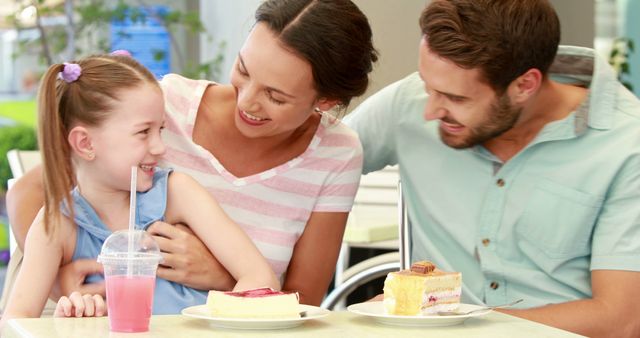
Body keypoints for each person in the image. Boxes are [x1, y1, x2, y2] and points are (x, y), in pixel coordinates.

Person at [6, 0, 377, 307]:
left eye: (275, 96)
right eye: (243, 70)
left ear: (324, 102)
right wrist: (58, 276)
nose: (246, 101)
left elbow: (305, 300)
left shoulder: (336, 153)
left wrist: (221, 276)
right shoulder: (159, 106)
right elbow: (31, 193)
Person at [344, 0, 640, 337]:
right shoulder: (408, 105)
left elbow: (621, 319)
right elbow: (310, 160)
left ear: (524, 86)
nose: (429, 111)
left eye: (456, 99)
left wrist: (452, 322)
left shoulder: (627, 147)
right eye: (427, 86)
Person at [0, 53, 280, 328]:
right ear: (85, 144)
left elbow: (260, 278)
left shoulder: (178, 193)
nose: (160, 147)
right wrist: (69, 325)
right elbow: (14, 322)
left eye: (160, 129)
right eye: (143, 132)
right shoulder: (57, 225)